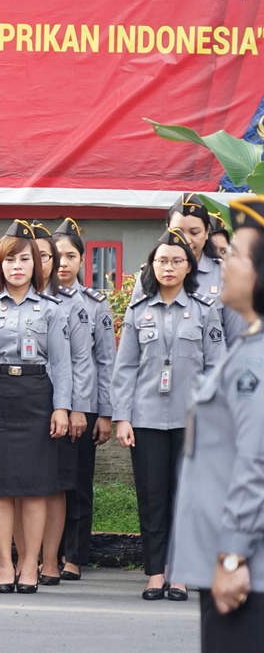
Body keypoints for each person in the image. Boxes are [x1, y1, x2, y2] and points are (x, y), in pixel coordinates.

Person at [170, 196, 264, 650]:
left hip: (245, 572)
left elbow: (255, 462)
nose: (223, 263)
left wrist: (231, 556)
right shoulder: (246, 349)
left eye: (237, 255)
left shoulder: (256, 361)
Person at [0, 220, 72, 595]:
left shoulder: (51, 310)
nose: (18, 266)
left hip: (38, 396)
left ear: (37, 266)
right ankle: (4, 565)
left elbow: (63, 363)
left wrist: (62, 408)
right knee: (1, 489)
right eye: (10, 260)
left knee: (36, 489)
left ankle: (29, 565)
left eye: (25, 259)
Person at [112, 228, 224, 601]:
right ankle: (156, 573)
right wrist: (122, 417)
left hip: (192, 420)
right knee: (152, 496)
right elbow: (124, 367)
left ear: (189, 266)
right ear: (152, 266)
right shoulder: (138, 311)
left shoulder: (205, 312)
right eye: (162, 260)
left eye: (177, 260)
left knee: (186, 498)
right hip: (145, 419)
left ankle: (180, 574)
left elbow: (216, 369)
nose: (169, 267)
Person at [30, 220, 93, 585]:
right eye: (33, 255)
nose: (41, 262)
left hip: (61, 403)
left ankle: (51, 559)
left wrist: (77, 407)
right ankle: (26, 558)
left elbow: (83, 360)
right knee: (23, 484)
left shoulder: (72, 303)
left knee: (56, 484)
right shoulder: (11, 297)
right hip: (23, 402)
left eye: (46, 255)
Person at [53, 218, 115, 581]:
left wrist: (105, 413)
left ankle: (74, 554)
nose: (62, 263)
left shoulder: (94, 304)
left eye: (70, 256)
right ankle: (47, 552)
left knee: (77, 482)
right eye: (57, 255)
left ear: (81, 261)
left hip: (83, 405)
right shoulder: (37, 297)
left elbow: (106, 360)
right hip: (43, 404)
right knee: (45, 483)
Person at [130, 193, 243, 344]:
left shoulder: (227, 275)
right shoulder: (149, 274)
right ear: (167, 230)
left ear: (207, 231)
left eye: (194, 232)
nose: (186, 240)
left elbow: (237, 340)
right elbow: (133, 334)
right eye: (178, 231)